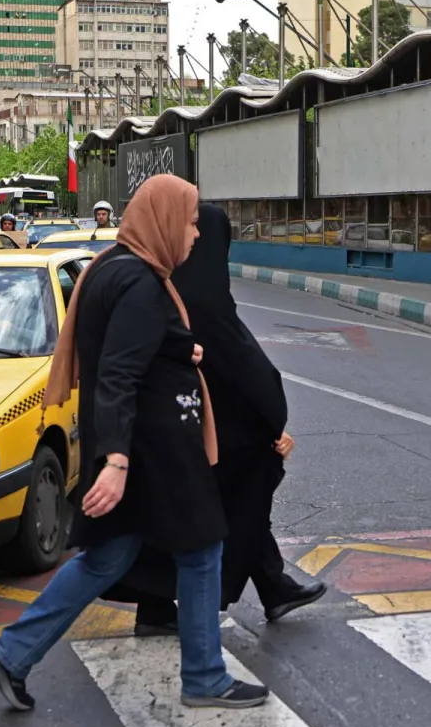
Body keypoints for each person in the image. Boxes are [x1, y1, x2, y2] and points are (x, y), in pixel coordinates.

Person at [0, 174, 268, 712]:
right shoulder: (138, 283)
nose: (195, 235)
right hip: (156, 452)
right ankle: (205, 677)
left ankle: (13, 652)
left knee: (108, 556)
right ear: (161, 221)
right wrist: (115, 460)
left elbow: (133, 353)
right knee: (202, 551)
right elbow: (117, 373)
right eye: (187, 223)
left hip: (140, 448)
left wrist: (183, 355)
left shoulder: (112, 267)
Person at [109, 204, 325, 634]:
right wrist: (270, 419)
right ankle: (197, 630)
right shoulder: (204, 298)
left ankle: (269, 586)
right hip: (204, 433)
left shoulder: (165, 286)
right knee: (227, 505)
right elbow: (241, 367)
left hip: (181, 429)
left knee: (224, 506)